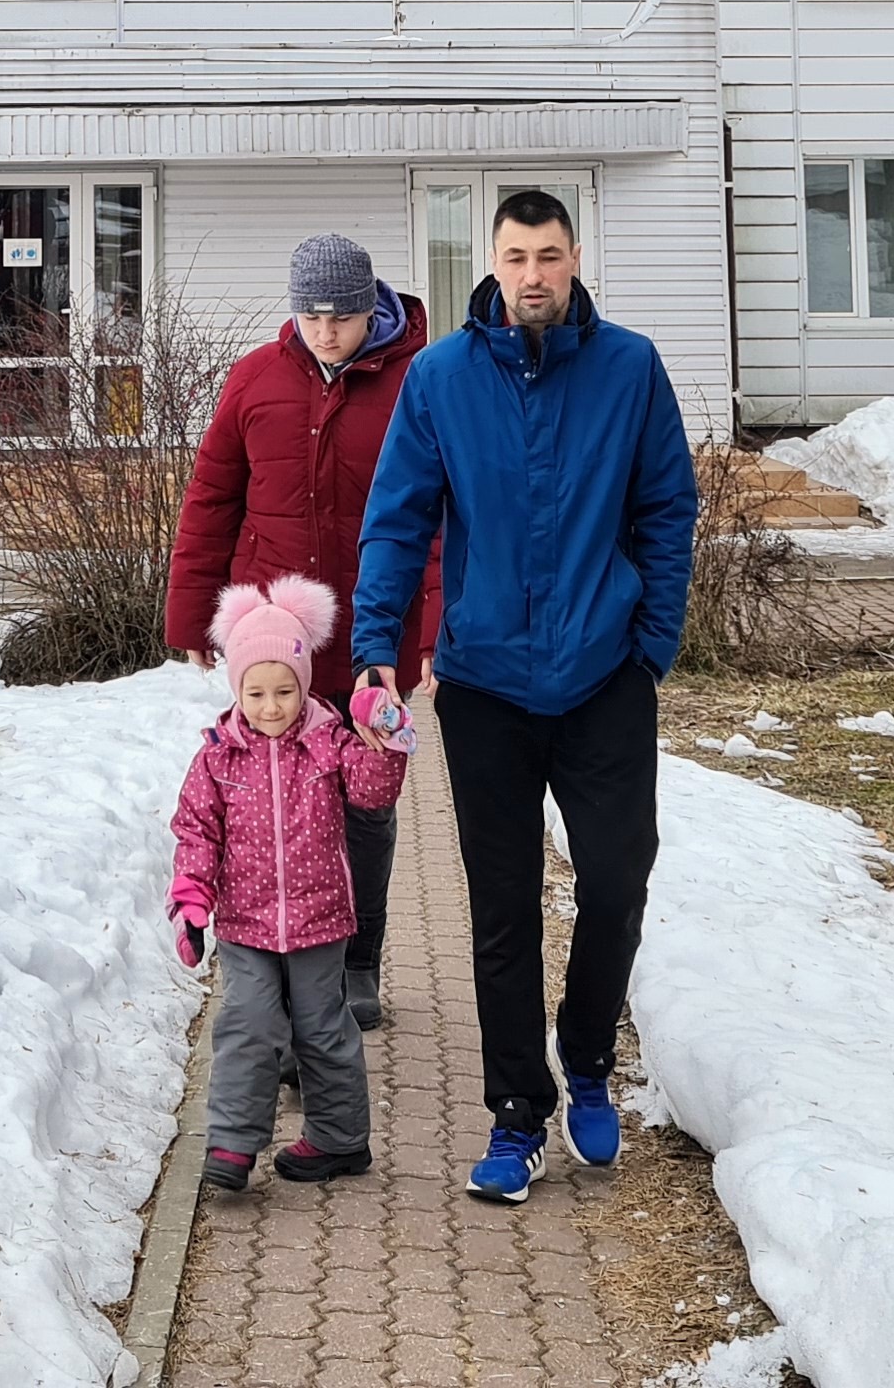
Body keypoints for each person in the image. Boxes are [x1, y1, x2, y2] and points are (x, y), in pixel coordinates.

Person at [352, 187, 696, 1205]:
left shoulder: (628, 367)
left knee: (617, 879)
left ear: (575, 256)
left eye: (550, 254)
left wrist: (650, 645)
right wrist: (380, 643)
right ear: (490, 262)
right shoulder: (440, 377)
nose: (534, 274)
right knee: (500, 914)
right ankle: (517, 1115)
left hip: (603, 677)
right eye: (516, 256)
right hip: (488, 684)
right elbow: (397, 518)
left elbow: (666, 507)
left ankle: (586, 1055)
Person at [165, 231, 435, 1026]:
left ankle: (360, 964)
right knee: (271, 799)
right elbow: (211, 499)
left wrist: (435, 631)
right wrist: (192, 613)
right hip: (272, 639)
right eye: (312, 314)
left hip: (372, 635)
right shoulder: (254, 379)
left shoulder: (416, 384)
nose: (326, 331)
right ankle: (281, 961)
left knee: (366, 802)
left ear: (371, 309)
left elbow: (441, 516)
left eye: (344, 316)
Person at [165, 576, 413, 1191]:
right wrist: (192, 903)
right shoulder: (218, 756)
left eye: (284, 691)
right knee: (247, 1023)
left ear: (304, 686)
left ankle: (339, 1139)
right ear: (237, 689)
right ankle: (231, 1144)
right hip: (247, 925)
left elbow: (373, 794)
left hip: (319, 921)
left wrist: (385, 741)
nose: (271, 707)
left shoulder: (328, 741)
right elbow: (196, 832)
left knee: (321, 1029)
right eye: (256, 692)